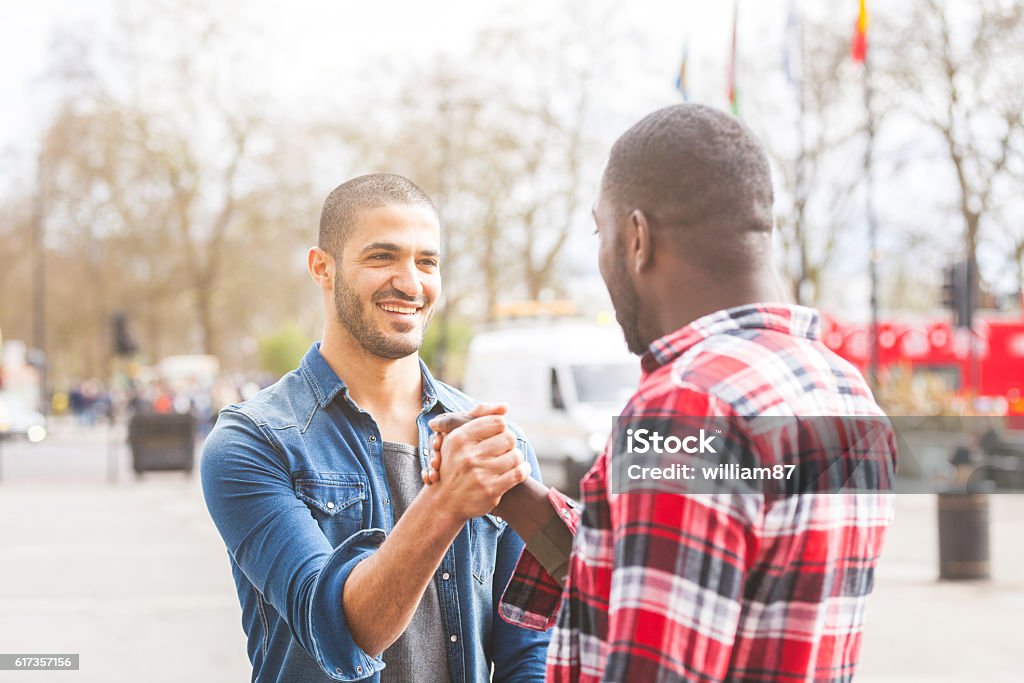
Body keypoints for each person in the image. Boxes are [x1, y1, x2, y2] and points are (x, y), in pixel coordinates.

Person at [426, 104, 897, 682]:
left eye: (602, 233)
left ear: (638, 238)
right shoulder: (843, 392)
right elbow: (689, 586)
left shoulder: (689, 410)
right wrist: (518, 499)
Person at [201, 173, 550, 682]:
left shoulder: (499, 443)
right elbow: (338, 633)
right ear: (322, 267)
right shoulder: (253, 442)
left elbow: (530, 649)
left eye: (426, 262)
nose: (411, 284)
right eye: (382, 257)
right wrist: (446, 502)